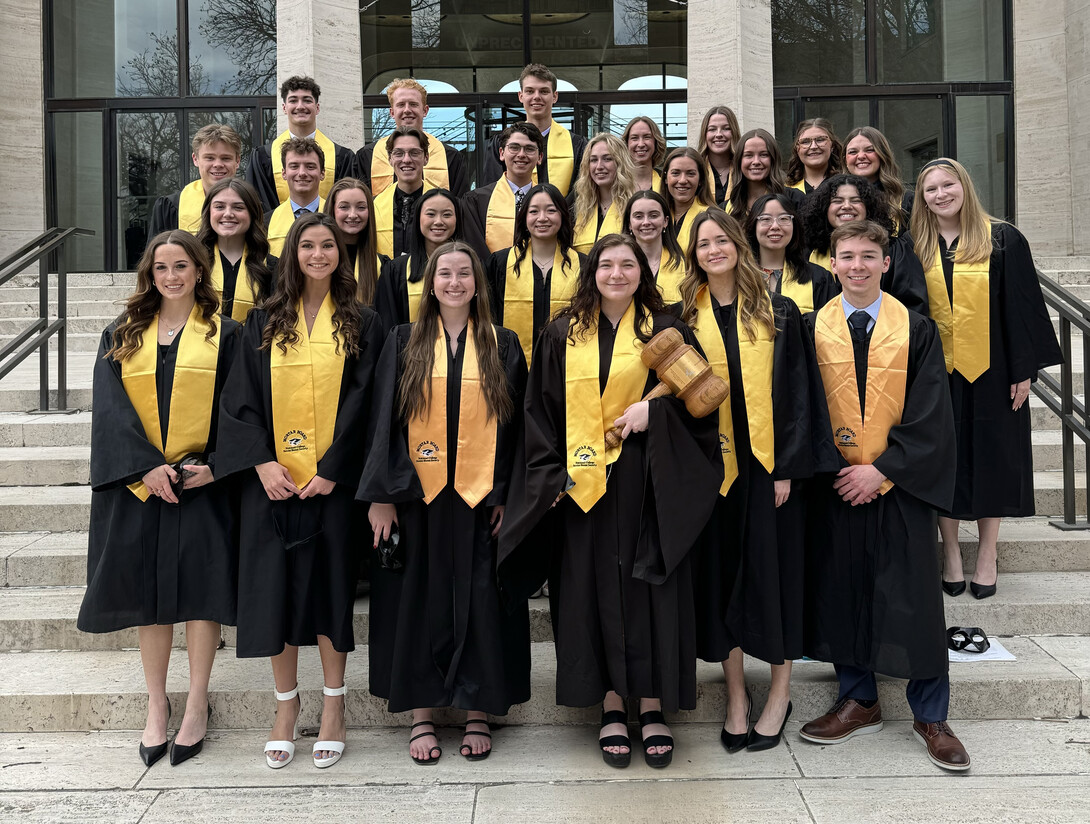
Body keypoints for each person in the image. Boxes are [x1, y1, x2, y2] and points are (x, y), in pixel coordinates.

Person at [498, 234, 722, 770]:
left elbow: (703, 400)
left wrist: (655, 415)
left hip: (648, 480)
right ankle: (612, 705)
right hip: (582, 485)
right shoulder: (560, 333)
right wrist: (549, 477)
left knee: (648, 589)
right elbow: (538, 411)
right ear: (591, 272)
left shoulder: (666, 331)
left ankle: (651, 704)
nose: (617, 274)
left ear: (641, 272)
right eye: (606, 265)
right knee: (590, 589)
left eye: (627, 265)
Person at [216, 212, 385, 770]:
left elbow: (366, 403)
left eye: (328, 246)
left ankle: (334, 707)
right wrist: (262, 463)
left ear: (342, 253)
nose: (318, 254)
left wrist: (336, 467)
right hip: (273, 486)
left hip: (331, 486)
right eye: (307, 245)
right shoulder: (261, 322)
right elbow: (238, 402)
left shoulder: (362, 321)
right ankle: (285, 709)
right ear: (293, 253)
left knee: (332, 590)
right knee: (274, 594)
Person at [800, 219, 970, 773]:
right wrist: (841, 470)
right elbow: (802, 407)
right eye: (846, 255)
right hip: (837, 485)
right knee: (844, 588)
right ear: (831, 263)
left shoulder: (916, 328)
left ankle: (931, 714)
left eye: (867, 256)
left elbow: (932, 413)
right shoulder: (812, 327)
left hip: (900, 486)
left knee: (916, 597)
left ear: (886, 262)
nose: (856, 265)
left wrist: (885, 470)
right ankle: (860, 700)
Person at [360, 241, 530, 764]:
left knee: (483, 594)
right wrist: (381, 498)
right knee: (417, 596)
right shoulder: (404, 340)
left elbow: (519, 427)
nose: (454, 283)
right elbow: (382, 419)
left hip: (480, 496)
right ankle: (421, 713)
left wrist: (506, 494)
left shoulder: (502, 343)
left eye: (464, 274)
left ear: (478, 283)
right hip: (417, 494)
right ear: (430, 283)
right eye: (445, 274)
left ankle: (479, 708)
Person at [77, 231, 241, 768]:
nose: (171, 276)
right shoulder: (122, 334)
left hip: (200, 485)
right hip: (139, 486)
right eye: (161, 267)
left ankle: (196, 702)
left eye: (181, 266)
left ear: (199, 270)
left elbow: (240, 407)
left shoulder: (227, 334)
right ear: (149, 274)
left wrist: (213, 466)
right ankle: (156, 703)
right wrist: (147, 468)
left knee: (201, 593)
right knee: (149, 596)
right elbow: (111, 410)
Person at [678, 209, 837, 754]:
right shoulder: (683, 317)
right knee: (724, 579)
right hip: (713, 473)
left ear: (738, 245)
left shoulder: (781, 310)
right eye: (703, 243)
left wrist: (789, 468)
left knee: (777, 577)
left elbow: (800, 394)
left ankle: (780, 692)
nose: (713, 250)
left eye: (722, 239)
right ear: (693, 254)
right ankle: (739, 695)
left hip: (771, 469)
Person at [910, 158, 1062, 599]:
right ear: (921, 198)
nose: (940, 195)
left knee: (993, 458)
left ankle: (988, 554)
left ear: (964, 185)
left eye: (947, 185)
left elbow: (1020, 304)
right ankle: (952, 552)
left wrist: (1023, 370)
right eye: (930, 189)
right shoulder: (915, 244)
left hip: (994, 373)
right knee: (945, 460)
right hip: (936, 375)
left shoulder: (1002, 238)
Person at [800, 174, 929, 316]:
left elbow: (913, 308)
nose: (847, 206)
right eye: (837, 201)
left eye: (856, 201)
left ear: (868, 206)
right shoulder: (808, 253)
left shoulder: (893, 250)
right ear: (824, 207)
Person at [486, 183, 583, 364]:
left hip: (566, 368)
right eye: (534, 211)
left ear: (562, 215)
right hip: (509, 369)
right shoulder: (499, 263)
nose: (542, 218)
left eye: (551, 210)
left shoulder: (583, 265)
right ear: (524, 217)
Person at [246, 76, 357, 212]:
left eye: (307, 100)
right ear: (284, 108)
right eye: (293, 100)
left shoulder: (342, 157)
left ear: (317, 108)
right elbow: (259, 203)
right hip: (276, 231)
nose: (300, 106)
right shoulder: (263, 156)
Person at [480, 64, 586, 196]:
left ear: (555, 97)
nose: (536, 97)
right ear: (521, 96)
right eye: (530, 91)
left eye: (544, 91)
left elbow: (579, 195)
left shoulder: (576, 145)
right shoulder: (501, 143)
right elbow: (493, 192)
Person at [355, 78, 469, 198]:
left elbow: (459, 206)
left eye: (413, 104)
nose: (407, 110)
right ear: (392, 112)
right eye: (401, 105)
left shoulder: (450, 157)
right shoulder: (368, 156)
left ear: (425, 111)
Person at [375, 187, 463, 330]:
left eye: (447, 215)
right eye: (431, 214)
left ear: (457, 219)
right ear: (418, 219)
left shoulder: (472, 268)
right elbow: (388, 327)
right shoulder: (396, 270)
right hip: (408, 351)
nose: (439, 221)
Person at [195, 179, 277, 323]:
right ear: (209, 212)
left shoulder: (272, 267)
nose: (228, 214)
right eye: (219, 207)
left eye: (238, 208)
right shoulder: (193, 263)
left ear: (252, 214)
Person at [745, 193, 838, 314]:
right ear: (753, 225)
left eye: (783, 219)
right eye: (766, 219)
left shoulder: (818, 278)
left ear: (794, 226)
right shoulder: (740, 277)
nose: (775, 226)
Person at [462, 123, 544, 261]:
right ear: (501, 153)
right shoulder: (476, 201)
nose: (521, 154)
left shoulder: (549, 202)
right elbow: (475, 249)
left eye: (529, 149)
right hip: (491, 279)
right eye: (514, 148)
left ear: (540, 157)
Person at [149, 124, 242, 238]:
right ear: (195, 159)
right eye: (209, 158)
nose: (218, 164)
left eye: (225, 158)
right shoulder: (170, 208)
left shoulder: (254, 205)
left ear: (237, 161)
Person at [373, 127, 435, 259]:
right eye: (398, 153)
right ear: (390, 159)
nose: (406, 159)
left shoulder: (443, 204)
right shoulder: (374, 205)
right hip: (385, 277)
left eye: (414, 153)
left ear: (426, 158)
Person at [323, 177, 385, 307]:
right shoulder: (318, 260)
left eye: (361, 207)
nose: (352, 215)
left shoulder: (382, 266)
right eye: (344, 207)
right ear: (332, 210)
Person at [572, 133, 637, 254]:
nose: (599, 166)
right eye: (593, 160)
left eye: (607, 159)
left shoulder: (634, 207)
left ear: (620, 163)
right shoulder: (577, 207)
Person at [265, 137, 327, 257]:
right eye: (294, 166)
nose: (302, 173)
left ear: (322, 173)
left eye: (310, 166)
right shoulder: (266, 223)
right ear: (283, 173)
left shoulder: (336, 217)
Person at [843, 127, 913, 234]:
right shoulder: (832, 201)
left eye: (870, 150)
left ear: (882, 155)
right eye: (853, 152)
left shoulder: (906, 201)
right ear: (845, 160)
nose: (861, 156)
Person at [725, 128, 805, 222]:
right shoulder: (726, 209)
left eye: (764, 155)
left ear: (773, 160)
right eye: (748, 155)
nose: (756, 162)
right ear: (739, 161)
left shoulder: (795, 200)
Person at [622, 189, 686, 303]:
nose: (646, 222)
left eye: (653, 215)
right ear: (629, 224)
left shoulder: (686, 265)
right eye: (638, 216)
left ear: (665, 221)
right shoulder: (617, 266)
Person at [659, 147, 716, 255]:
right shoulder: (655, 216)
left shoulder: (713, 218)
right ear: (666, 178)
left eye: (690, 173)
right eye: (675, 173)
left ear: (701, 180)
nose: (682, 180)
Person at [786, 118, 843, 195]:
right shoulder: (785, 189)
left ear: (832, 145)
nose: (813, 147)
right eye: (805, 142)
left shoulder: (846, 184)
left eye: (820, 140)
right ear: (797, 148)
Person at [697, 106, 741, 205]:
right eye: (712, 129)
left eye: (726, 128)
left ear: (734, 132)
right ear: (705, 134)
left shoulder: (744, 170)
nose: (719, 134)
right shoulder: (696, 170)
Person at [622, 116, 666, 193]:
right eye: (634, 138)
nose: (641, 144)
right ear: (626, 143)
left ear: (656, 142)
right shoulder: (615, 184)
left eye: (647, 137)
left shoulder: (666, 185)